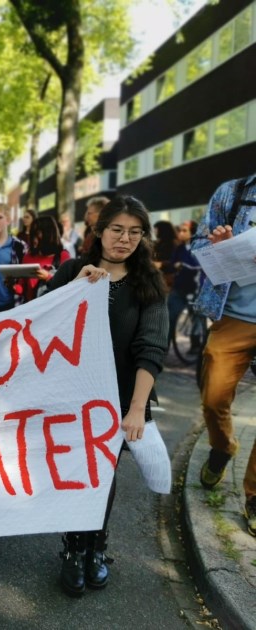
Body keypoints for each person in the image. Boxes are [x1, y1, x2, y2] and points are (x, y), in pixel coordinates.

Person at [46, 195, 168, 596]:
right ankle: (73, 547)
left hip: (117, 402)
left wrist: (136, 410)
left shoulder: (148, 282)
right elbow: (37, 327)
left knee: (102, 474)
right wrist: (73, 291)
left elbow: (151, 349)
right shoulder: (70, 271)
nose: (125, 239)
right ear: (99, 231)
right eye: (117, 229)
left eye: (135, 232)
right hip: (70, 397)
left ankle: (94, 547)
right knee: (75, 472)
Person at [192, 174, 256, 537]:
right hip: (233, 316)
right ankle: (222, 447)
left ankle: (255, 494)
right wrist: (221, 247)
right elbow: (199, 243)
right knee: (213, 397)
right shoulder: (233, 192)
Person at [166, 220, 203, 352]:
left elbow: (201, 266)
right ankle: (164, 345)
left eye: (184, 230)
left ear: (193, 232)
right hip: (179, 286)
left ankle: (196, 343)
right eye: (180, 230)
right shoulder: (179, 249)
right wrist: (174, 265)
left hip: (196, 287)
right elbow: (171, 264)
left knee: (197, 316)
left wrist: (184, 265)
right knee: (169, 315)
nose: (180, 233)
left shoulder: (200, 247)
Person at [19, 216, 70, 303]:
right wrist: (13, 286)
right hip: (30, 309)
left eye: (38, 233)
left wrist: (48, 277)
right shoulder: (28, 257)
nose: (34, 238)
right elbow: (22, 288)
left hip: (53, 308)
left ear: (49, 234)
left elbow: (68, 288)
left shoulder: (63, 256)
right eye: (33, 233)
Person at [152, 220, 178, 290]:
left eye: (156, 229)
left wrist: (161, 263)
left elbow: (176, 260)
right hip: (159, 276)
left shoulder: (173, 243)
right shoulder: (157, 243)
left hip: (168, 277)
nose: (154, 231)